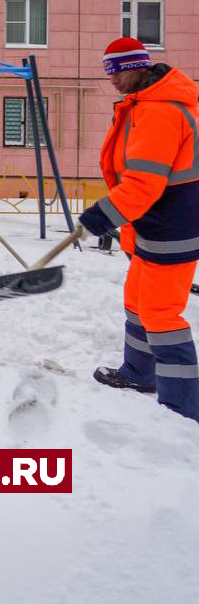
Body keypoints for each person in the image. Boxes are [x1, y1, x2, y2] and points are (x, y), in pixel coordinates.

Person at [78, 37, 199, 423]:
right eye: (107, 71)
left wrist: (102, 215)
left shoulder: (161, 111)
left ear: (138, 67)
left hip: (173, 227)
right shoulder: (145, 103)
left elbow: (145, 181)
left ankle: (182, 406)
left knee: (161, 314)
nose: (111, 80)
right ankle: (139, 374)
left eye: (116, 71)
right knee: (136, 300)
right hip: (155, 225)